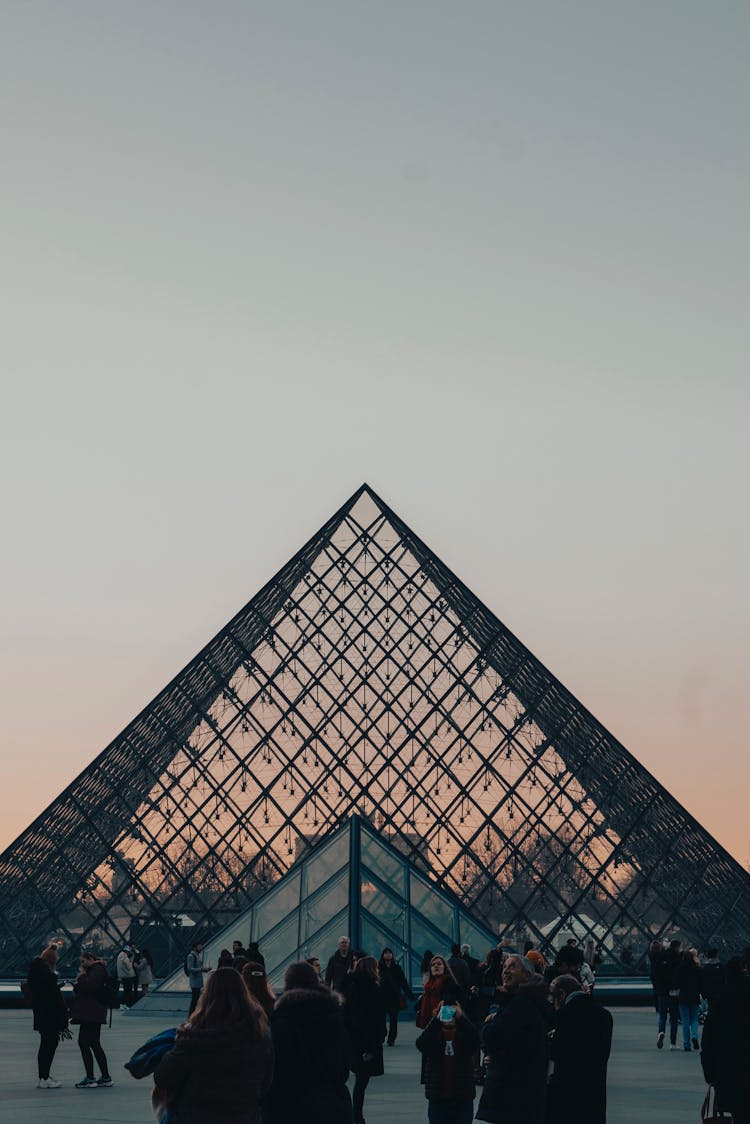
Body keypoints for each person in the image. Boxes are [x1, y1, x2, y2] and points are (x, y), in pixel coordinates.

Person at [154, 966, 273, 1124]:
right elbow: (266, 1083)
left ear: (208, 995)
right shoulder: (259, 1036)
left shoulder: (193, 1036)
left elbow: (163, 1076)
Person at [265, 960, 353, 1123]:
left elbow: (274, 1071)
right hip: (332, 1105)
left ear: (288, 984)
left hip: (291, 1107)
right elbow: (343, 1067)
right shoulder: (334, 1018)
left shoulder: (281, 1023)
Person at [475, 955, 548, 1124]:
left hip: (510, 1097)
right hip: (524, 1097)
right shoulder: (532, 1002)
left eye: (512, 966)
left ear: (527, 976)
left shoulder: (520, 1005)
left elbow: (492, 1037)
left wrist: (488, 1024)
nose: (505, 971)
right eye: (504, 967)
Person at [546, 974, 613, 1124]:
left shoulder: (565, 1014)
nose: (550, 1001)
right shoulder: (604, 1015)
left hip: (568, 1092)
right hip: (595, 1091)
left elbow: (556, 1052)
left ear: (562, 994)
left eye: (552, 995)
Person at [701, 956, 750, 1124]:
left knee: (740, 1115)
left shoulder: (721, 1000)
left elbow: (708, 1042)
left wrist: (710, 1075)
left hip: (731, 1072)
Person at [416, 998, 480, 1124]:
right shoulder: (434, 1035)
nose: (449, 1015)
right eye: (445, 1011)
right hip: (438, 1097)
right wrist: (436, 1020)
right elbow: (421, 1044)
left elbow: (475, 1040)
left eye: (452, 1012)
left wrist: (462, 1019)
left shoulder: (463, 1034)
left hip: (462, 1096)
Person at [344, 955, 386, 1124]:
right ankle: (357, 1115)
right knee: (362, 1081)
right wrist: (375, 1041)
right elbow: (374, 1018)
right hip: (368, 1040)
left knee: (359, 1079)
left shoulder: (352, 986)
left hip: (354, 1039)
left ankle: (356, 1114)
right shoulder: (372, 989)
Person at [27, 943, 69, 1089]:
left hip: (42, 1014)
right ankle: (44, 1077)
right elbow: (50, 995)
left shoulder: (36, 971)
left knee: (46, 1044)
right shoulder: (46, 974)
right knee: (49, 1045)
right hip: (49, 1016)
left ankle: (43, 1076)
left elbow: (42, 992)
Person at [70, 949, 112, 1088]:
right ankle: (105, 1077)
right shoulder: (95, 970)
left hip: (92, 1013)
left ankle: (91, 1078)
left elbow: (91, 986)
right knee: (94, 1044)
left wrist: (81, 976)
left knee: (84, 1043)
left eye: (83, 961)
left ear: (90, 958)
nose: (82, 964)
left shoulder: (97, 969)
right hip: (92, 1013)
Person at [378, 947, 412, 1046]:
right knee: (381, 1020)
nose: (388, 955)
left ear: (392, 955)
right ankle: (383, 1034)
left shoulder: (397, 968)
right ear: (383, 955)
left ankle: (391, 1039)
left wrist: (409, 994)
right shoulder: (378, 967)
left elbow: (403, 982)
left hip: (393, 998)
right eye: (386, 953)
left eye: (389, 953)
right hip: (382, 997)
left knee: (393, 1020)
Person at [417, 956, 462, 1029]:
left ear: (445, 967)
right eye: (433, 965)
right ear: (430, 970)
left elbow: (450, 1001)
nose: (436, 966)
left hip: (444, 1022)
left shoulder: (449, 983)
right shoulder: (428, 986)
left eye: (439, 964)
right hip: (430, 1022)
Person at [653, 938, 681, 1050]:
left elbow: (655, 973)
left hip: (661, 991)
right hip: (673, 991)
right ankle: (673, 1043)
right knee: (674, 1018)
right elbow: (679, 975)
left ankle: (661, 1032)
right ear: (677, 947)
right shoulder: (677, 959)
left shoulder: (661, 956)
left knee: (662, 1015)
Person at [677, 947, 703, 1051]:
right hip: (694, 996)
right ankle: (695, 1036)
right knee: (695, 1020)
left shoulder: (680, 968)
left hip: (683, 997)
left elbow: (676, 982)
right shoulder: (697, 969)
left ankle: (686, 1044)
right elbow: (701, 983)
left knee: (685, 1021)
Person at [187, 939, 210, 1015]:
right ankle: (191, 1015)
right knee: (195, 999)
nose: (201, 948)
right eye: (199, 946)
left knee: (197, 999)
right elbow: (190, 968)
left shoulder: (197, 956)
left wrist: (204, 970)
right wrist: (202, 969)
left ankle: (193, 1014)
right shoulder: (191, 956)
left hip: (198, 981)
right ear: (194, 947)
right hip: (194, 981)